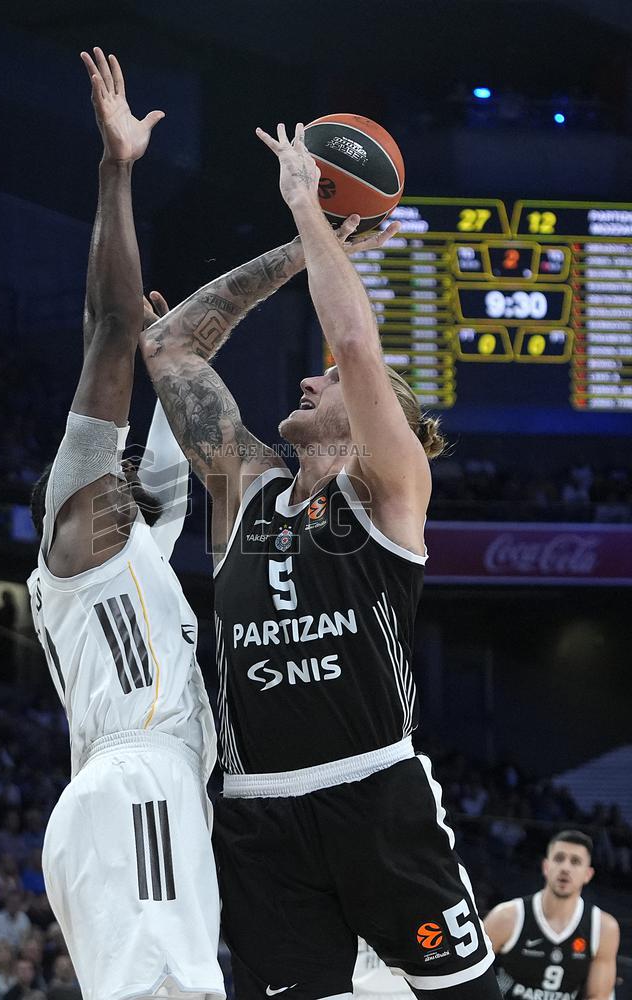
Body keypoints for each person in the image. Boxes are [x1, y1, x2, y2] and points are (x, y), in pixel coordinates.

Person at [140, 122, 498, 1000]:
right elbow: (170, 347)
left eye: (327, 380)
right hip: (259, 811)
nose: (309, 380)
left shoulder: (387, 489)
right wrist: (303, 248)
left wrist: (309, 204)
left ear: (385, 419)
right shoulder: (244, 491)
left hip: (374, 795)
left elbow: (359, 343)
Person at [25, 46, 223, 1000]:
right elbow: (113, 326)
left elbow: (182, 364)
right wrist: (117, 169)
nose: (120, 474)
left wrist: (307, 251)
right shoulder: (84, 541)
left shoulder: (140, 542)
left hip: (146, 793)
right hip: (135, 786)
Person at [484, 830, 619, 999]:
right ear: (546, 867)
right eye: (559, 858)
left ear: (588, 874)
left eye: (575, 862)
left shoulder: (604, 928)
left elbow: (598, 995)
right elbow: (470, 976)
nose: (565, 868)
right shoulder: (506, 917)